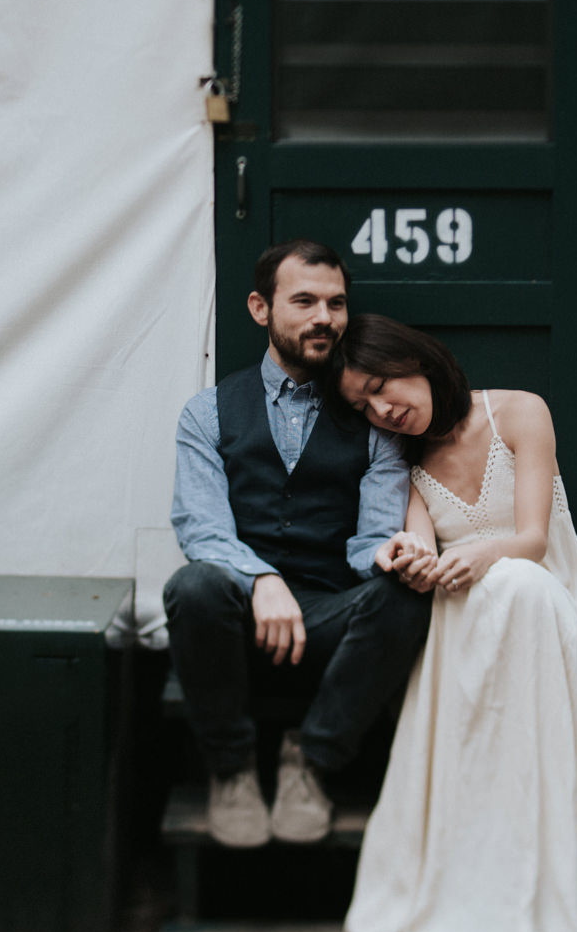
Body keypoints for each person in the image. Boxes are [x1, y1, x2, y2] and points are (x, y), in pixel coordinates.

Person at [331, 314, 577, 932]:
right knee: (484, 596)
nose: (383, 408)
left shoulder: (520, 412)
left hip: (544, 596)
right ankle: (476, 862)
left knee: (517, 584)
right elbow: (424, 548)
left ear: (419, 360)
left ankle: (535, 861)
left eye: (382, 384)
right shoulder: (403, 465)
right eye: (363, 404)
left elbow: (531, 540)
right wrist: (410, 556)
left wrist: (483, 557)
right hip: (461, 609)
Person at [165, 242, 432, 848]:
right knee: (194, 584)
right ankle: (232, 770)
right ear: (261, 308)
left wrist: (389, 554)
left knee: (405, 598)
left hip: (328, 620)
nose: (325, 318)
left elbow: (369, 538)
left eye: (336, 303)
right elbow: (201, 529)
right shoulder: (206, 413)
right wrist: (261, 580)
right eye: (305, 301)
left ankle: (310, 760)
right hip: (234, 617)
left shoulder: (373, 420)